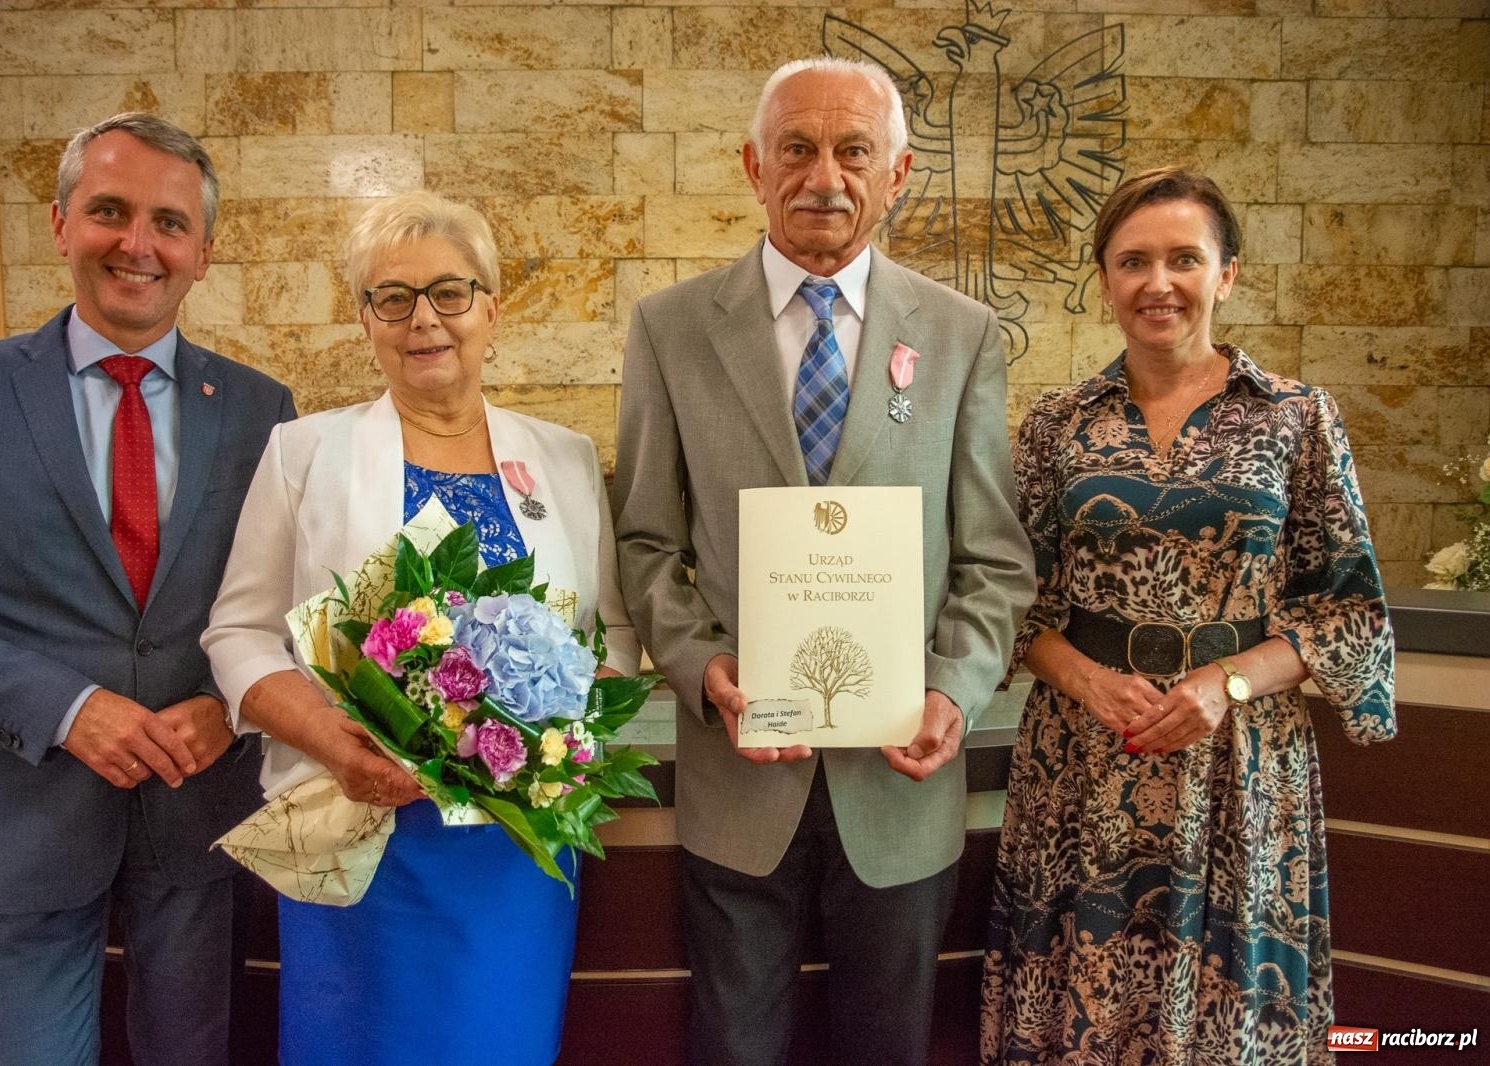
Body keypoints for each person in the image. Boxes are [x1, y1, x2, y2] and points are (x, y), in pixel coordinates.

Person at [612, 56, 1036, 1065]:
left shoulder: (962, 335)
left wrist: (953, 687)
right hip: (738, 777)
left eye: (854, 152)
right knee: (733, 1045)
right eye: (797, 149)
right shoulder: (668, 330)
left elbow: (993, 559)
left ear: (896, 173)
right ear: (753, 167)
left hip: (900, 784)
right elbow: (644, 542)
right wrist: (704, 671)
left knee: (887, 1045)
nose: (824, 177)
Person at [201, 189, 639, 1065]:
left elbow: (614, 639)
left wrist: (549, 746)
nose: (423, 320)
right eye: (390, 298)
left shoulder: (563, 458)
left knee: (499, 1040)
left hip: (515, 851)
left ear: (492, 309)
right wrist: (334, 739)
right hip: (358, 824)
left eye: (450, 291)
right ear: (364, 321)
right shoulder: (305, 453)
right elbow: (238, 633)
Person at [0, 113, 295, 1066]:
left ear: (203, 250)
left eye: (168, 222)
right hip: (16, 814)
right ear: (61, 223)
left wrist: (227, 706)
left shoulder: (260, 407)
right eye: (110, 211)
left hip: (199, 813)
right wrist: (67, 709)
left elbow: (285, 604)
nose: (137, 243)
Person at [980, 167, 1397, 1063]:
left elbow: (1349, 613)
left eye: (1184, 259)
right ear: (1103, 280)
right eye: (1133, 261)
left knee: (1227, 1008)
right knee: (1082, 1003)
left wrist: (1228, 681)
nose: (1157, 282)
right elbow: (1008, 598)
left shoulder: (1297, 418)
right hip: (1085, 754)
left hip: (1236, 759)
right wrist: (1085, 681)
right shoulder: (1056, 424)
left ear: (1227, 274)